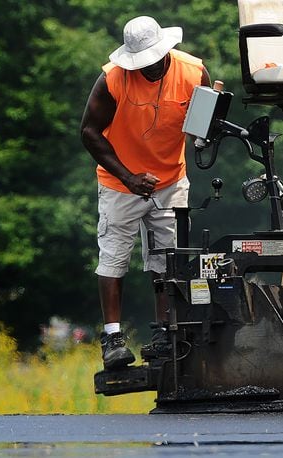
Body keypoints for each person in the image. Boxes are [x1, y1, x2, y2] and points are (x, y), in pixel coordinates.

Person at [80, 16, 210, 370]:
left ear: (166, 51)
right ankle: (113, 338)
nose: (149, 70)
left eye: (153, 62)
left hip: (170, 180)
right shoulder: (112, 80)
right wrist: (128, 177)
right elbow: (90, 132)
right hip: (119, 181)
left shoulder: (194, 72)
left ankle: (164, 333)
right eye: (142, 64)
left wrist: (205, 131)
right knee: (114, 257)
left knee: (168, 260)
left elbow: (201, 127)